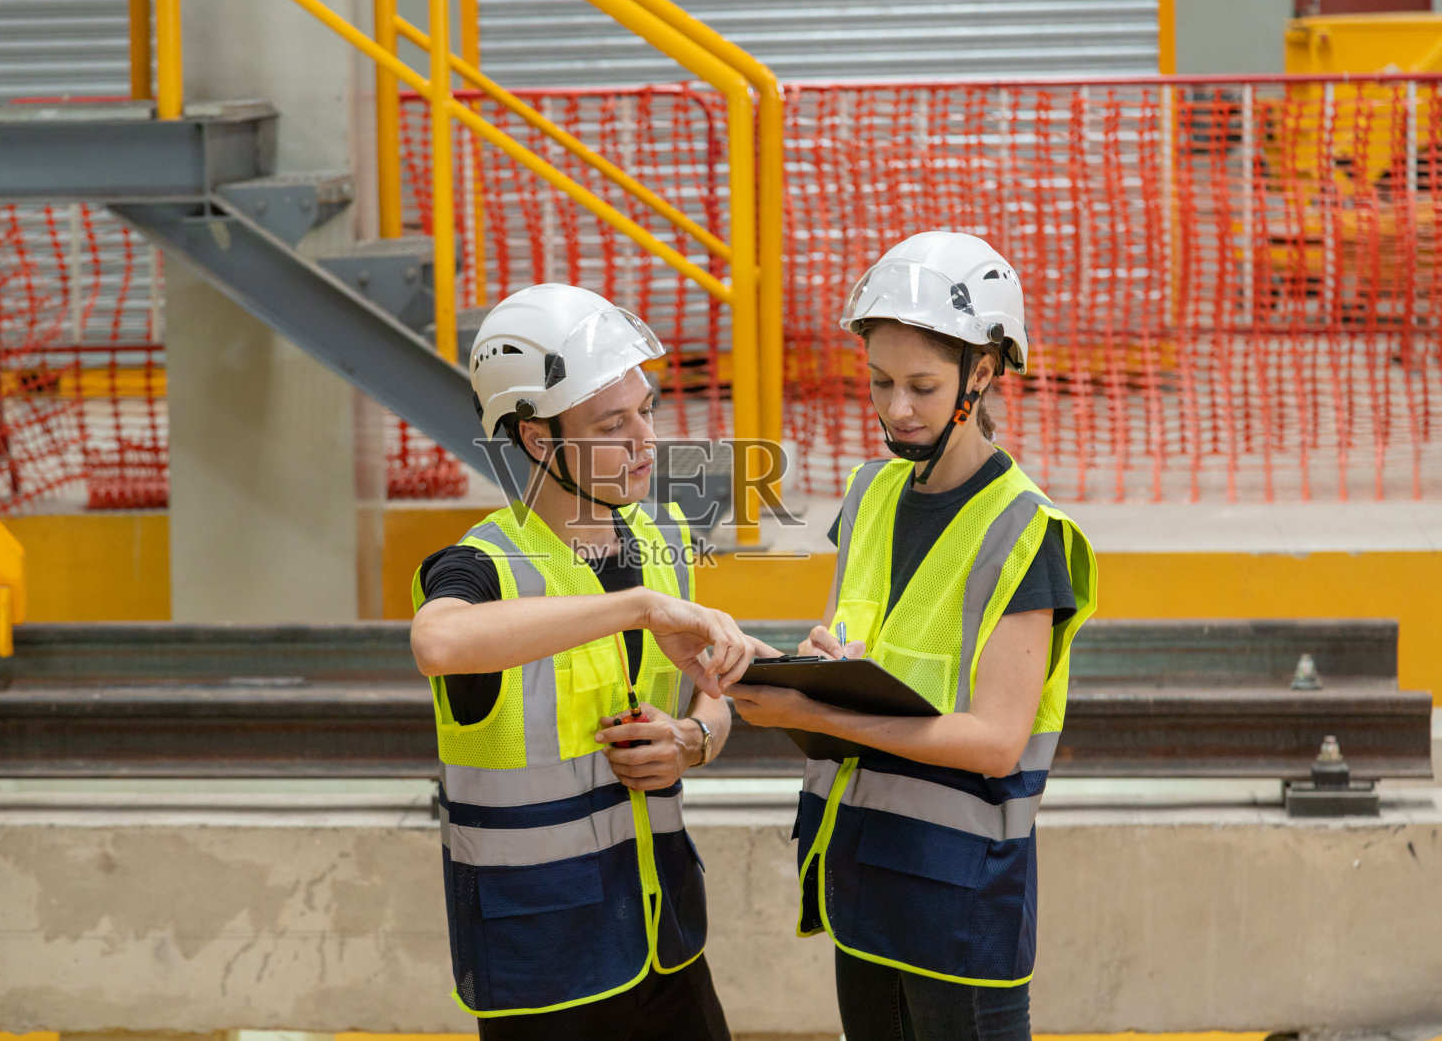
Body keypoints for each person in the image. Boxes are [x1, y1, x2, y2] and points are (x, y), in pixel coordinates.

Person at [725, 233, 1099, 1041]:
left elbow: (997, 742)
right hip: (863, 879)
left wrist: (818, 714)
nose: (898, 408)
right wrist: (822, 667)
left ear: (984, 372)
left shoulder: (1023, 531)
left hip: (958, 908)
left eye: (923, 386)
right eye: (881, 382)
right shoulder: (869, 490)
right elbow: (858, 638)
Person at [409, 283, 775, 1040]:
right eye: (614, 424)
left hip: (662, 937)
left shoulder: (665, 536)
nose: (645, 439)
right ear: (540, 440)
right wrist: (635, 607)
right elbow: (438, 641)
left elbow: (709, 693)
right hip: (542, 965)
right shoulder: (483, 565)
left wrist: (693, 741)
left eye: (647, 409)